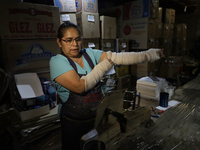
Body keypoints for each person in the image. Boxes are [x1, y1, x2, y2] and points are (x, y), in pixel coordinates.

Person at [49, 22, 163, 150]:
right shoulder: (57, 61)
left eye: (77, 39)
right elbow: (80, 87)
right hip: (73, 123)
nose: (74, 44)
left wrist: (148, 54)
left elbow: (118, 58)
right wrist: (102, 67)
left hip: (96, 118)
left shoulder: (89, 54)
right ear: (59, 42)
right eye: (68, 40)